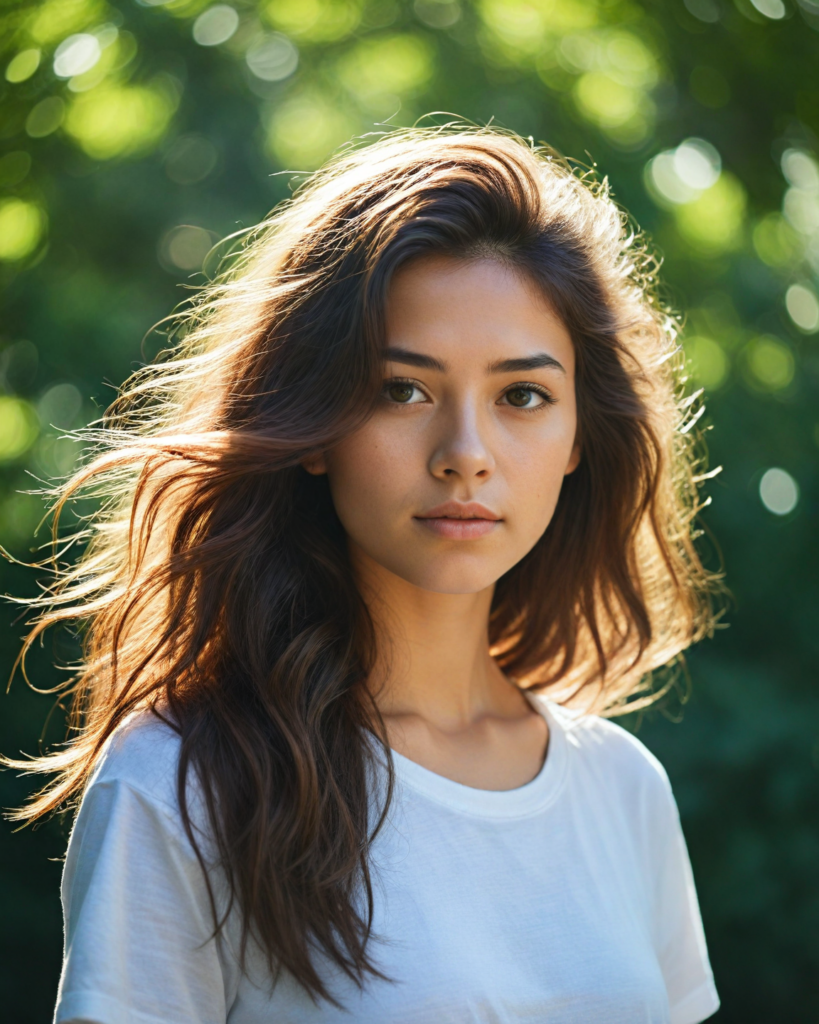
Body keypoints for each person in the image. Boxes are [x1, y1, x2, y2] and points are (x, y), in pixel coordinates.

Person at [8, 126, 721, 1023]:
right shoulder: (185, 779)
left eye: (522, 396)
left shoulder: (624, 790)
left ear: (579, 437)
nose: (465, 454)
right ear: (314, 426)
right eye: (401, 390)